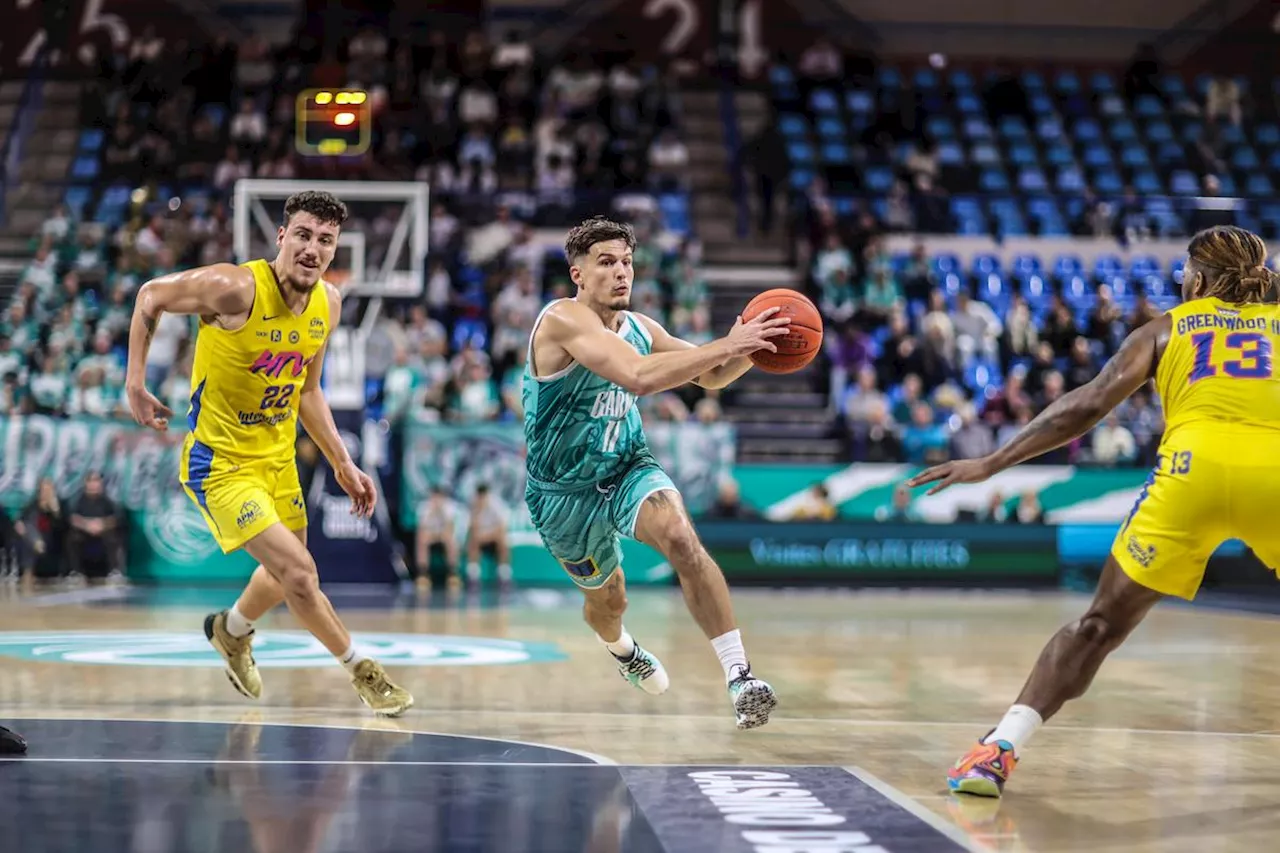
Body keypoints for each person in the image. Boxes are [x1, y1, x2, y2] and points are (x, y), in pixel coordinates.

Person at [908, 225, 1278, 796]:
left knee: (1098, 626)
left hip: (1191, 472)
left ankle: (998, 751)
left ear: (1198, 278)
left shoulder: (1167, 328)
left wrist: (993, 462)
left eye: (1184, 271)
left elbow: (1085, 405)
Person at [124, 190, 413, 717]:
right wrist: (135, 381)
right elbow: (150, 295)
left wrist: (342, 463)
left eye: (325, 240)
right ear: (282, 237)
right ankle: (363, 672)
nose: (312, 248)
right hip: (221, 465)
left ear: (334, 249)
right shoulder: (235, 288)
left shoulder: (329, 301)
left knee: (285, 578)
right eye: (303, 235)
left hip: (277, 460)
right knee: (301, 574)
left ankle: (230, 632)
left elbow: (307, 390)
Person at [522, 216, 790, 729]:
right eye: (606, 263)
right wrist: (729, 344)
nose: (622, 273)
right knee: (609, 601)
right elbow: (638, 377)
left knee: (680, 537)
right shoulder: (562, 319)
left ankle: (741, 678)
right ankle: (622, 650)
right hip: (561, 494)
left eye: (627, 262)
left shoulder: (642, 328)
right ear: (577, 275)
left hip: (626, 465)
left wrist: (759, 348)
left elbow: (711, 374)